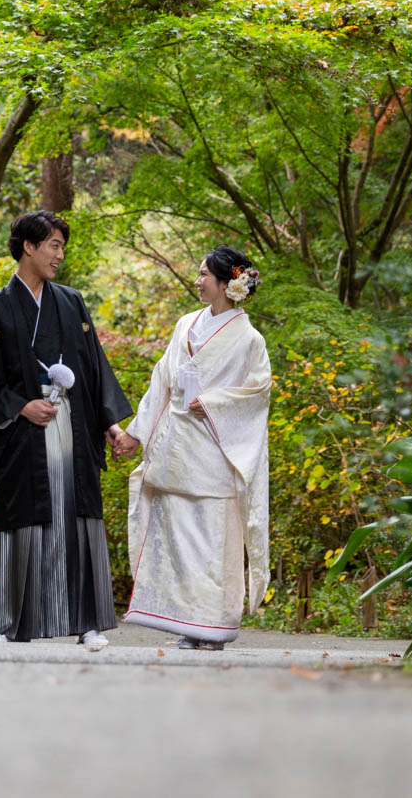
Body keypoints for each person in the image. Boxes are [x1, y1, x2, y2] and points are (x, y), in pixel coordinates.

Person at [0, 210, 131, 646]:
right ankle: (11, 625)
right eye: (53, 245)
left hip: (72, 424)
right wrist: (20, 407)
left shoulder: (71, 303)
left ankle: (87, 622)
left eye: (61, 246)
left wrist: (109, 421)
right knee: (23, 525)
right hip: (22, 435)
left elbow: (94, 367)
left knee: (77, 521)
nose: (59, 254)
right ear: (28, 247)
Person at [114, 245, 271, 649]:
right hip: (177, 446)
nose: (198, 280)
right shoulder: (186, 324)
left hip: (216, 451)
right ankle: (188, 622)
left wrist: (217, 403)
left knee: (214, 545)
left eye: (204, 274)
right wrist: (136, 433)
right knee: (181, 542)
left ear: (226, 283)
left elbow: (258, 392)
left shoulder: (249, 339)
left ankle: (215, 626)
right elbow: (161, 382)